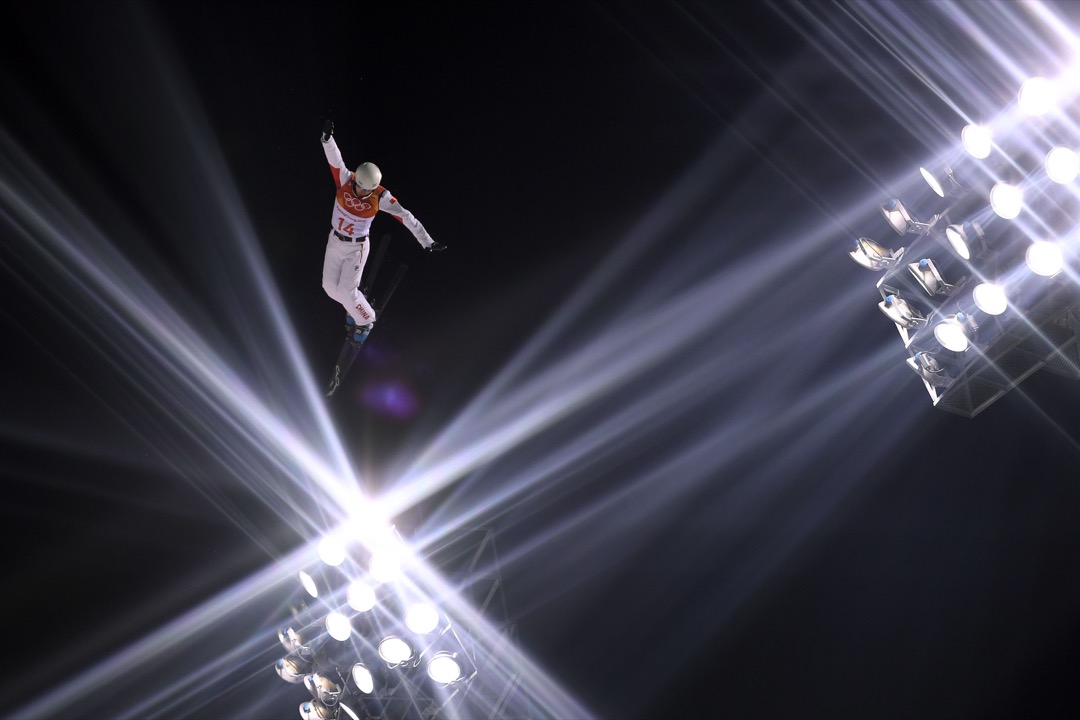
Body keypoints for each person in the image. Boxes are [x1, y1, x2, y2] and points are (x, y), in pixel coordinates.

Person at [320, 119, 445, 346]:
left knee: (347, 291)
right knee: (329, 288)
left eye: (363, 189)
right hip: (335, 241)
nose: (358, 191)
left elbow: (406, 216)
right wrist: (327, 139)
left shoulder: (380, 197)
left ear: (371, 188)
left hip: (356, 248)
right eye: (358, 185)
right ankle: (356, 307)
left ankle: (366, 319)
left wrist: (427, 241)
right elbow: (335, 159)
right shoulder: (345, 180)